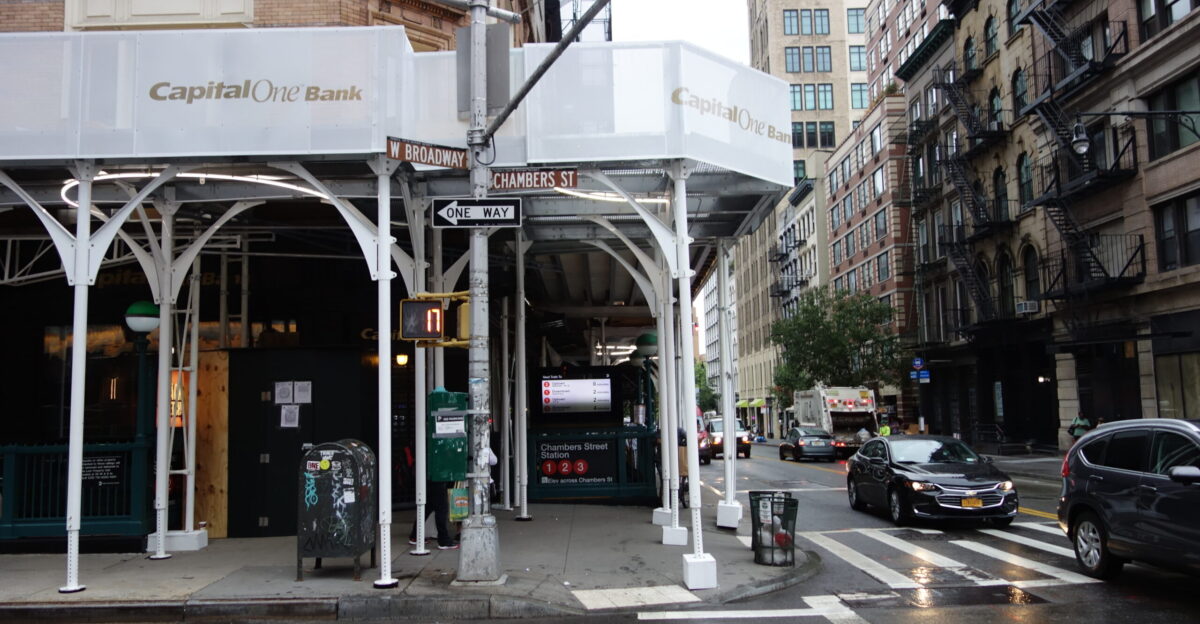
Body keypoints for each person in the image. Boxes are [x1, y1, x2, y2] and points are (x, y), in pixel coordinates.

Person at [409, 479, 458, 550]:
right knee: (441, 510)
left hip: (429, 481)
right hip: (438, 481)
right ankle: (443, 540)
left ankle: (415, 535)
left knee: (427, 509)